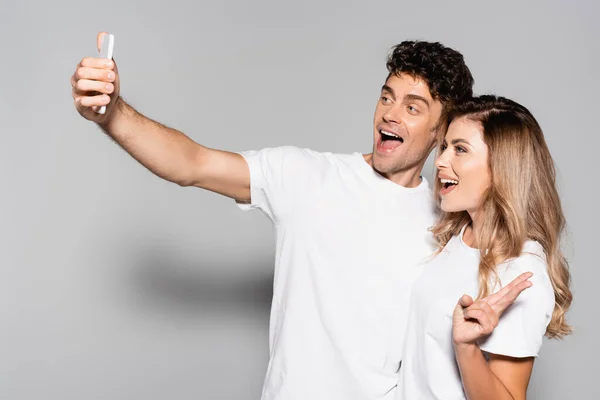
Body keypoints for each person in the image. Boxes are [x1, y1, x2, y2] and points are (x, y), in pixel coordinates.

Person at [71, 33, 474, 399]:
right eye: (387, 97)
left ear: (442, 131)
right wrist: (113, 114)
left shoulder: (452, 223)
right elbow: (191, 163)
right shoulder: (307, 176)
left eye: (412, 107)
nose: (390, 114)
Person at [396, 95, 573, 399]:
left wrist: (465, 347)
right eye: (444, 147)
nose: (440, 160)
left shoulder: (522, 271)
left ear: (502, 167)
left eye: (460, 149)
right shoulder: (458, 234)